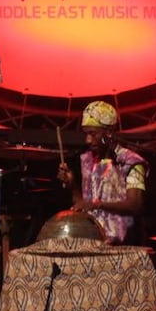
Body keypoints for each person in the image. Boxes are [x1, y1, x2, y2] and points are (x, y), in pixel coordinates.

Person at [56, 99, 148, 244]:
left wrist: (97, 204)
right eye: (86, 134)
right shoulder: (88, 161)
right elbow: (84, 205)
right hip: (93, 242)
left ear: (109, 133)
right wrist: (72, 186)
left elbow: (135, 204)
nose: (87, 140)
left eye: (93, 134)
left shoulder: (130, 161)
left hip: (123, 247)